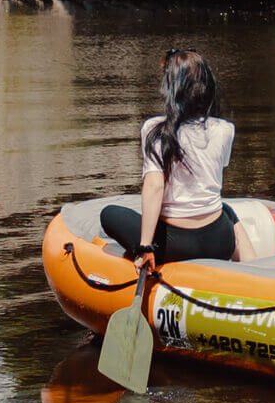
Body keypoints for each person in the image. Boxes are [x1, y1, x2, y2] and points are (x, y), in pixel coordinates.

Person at [99, 49, 249, 265]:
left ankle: (251, 270)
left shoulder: (154, 129)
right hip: (219, 241)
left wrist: (145, 247)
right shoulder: (225, 129)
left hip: (175, 245)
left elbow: (154, 187)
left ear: (171, 89)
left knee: (109, 214)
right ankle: (255, 268)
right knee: (226, 210)